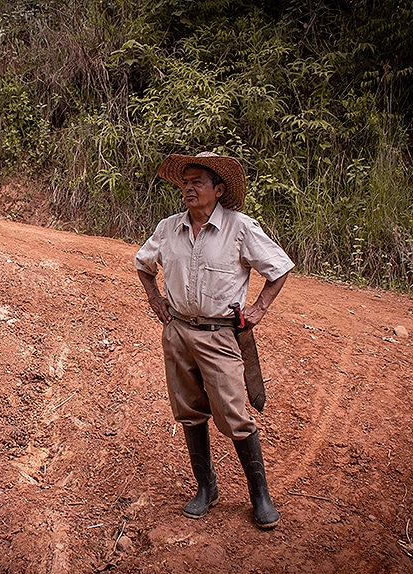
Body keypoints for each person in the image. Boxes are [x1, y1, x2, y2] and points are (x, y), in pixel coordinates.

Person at [135, 151, 293, 529]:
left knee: (234, 414)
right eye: (185, 182)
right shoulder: (168, 228)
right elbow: (143, 264)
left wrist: (259, 308)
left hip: (218, 333)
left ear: (218, 190)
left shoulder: (240, 228)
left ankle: (260, 496)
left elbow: (279, 268)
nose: (188, 188)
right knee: (189, 411)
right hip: (177, 332)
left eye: (198, 182)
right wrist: (156, 299)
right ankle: (206, 488)